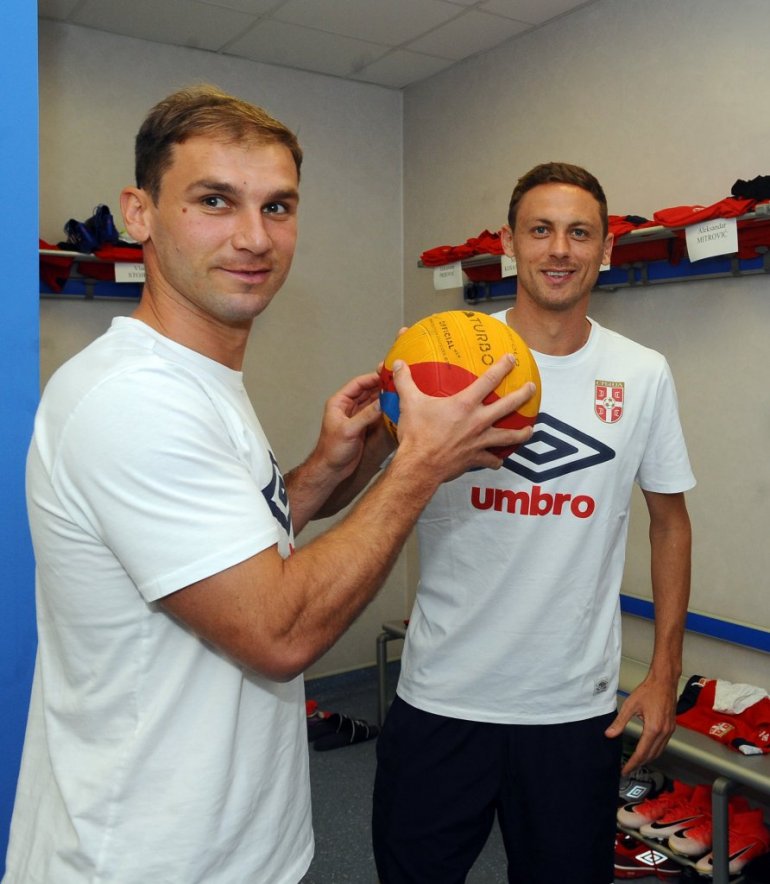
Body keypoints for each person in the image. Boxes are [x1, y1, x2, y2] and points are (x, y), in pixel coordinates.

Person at [3, 85, 536, 884]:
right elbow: (278, 631)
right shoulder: (132, 398)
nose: (254, 237)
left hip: (232, 847)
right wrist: (421, 465)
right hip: (145, 859)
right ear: (140, 213)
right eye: (214, 201)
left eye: (278, 207)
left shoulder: (195, 380)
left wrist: (330, 469)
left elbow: (228, 546)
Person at [372, 162, 695, 884]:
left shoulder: (643, 372)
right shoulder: (439, 352)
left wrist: (665, 669)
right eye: (540, 230)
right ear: (509, 244)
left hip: (572, 710)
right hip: (442, 695)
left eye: (579, 233)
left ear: (605, 249)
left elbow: (670, 522)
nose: (559, 249)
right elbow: (376, 482)